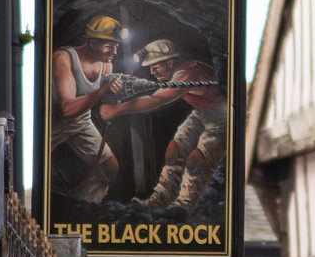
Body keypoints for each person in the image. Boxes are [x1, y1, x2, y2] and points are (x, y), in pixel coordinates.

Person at [98, 39, 226, 218]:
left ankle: (183, 207)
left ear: (171, 63)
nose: (152, 71)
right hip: (203, 113)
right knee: (174, 151)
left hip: (223, 117)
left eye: (155, 66)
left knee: (198, 159)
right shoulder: (179, 73)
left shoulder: (186, 75)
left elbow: (157, 100)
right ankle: (160, 199)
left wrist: (116, 110)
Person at [50, 15, 125, 202]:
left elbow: (100, 99)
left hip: (81, 122)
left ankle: (85, 204)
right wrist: (103, 91)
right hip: (54, 123)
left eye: (116, 46)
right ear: (91, 43)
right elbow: (67, 109)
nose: (113, 51)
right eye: (108, 46)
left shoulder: (106, 64)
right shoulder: (63, 58)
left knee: (109, 167)